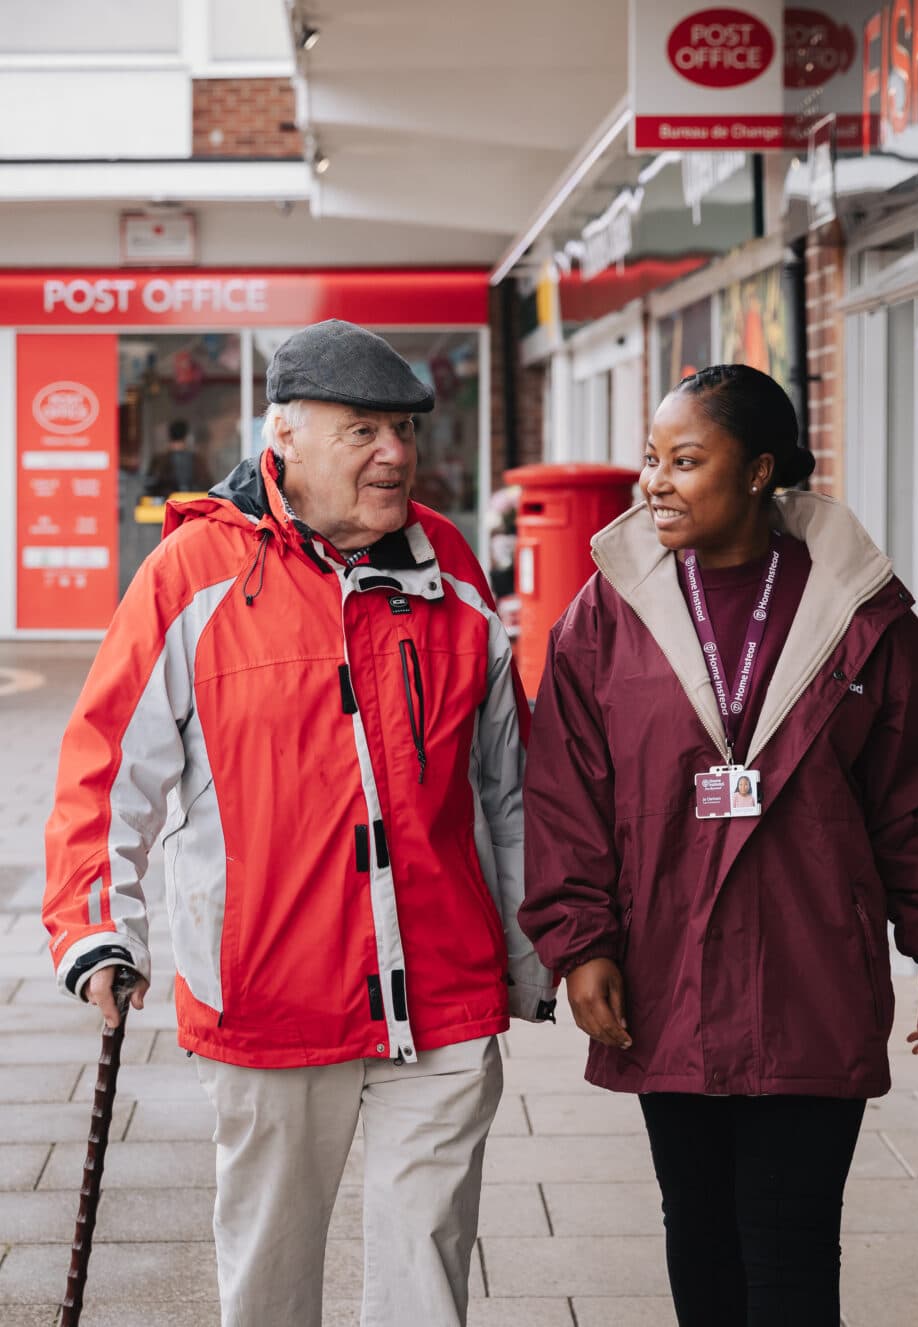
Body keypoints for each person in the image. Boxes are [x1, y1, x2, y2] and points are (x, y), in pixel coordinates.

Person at [43, 318, 555, 1327]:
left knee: (428, 1275)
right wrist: (99, 925)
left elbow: (509, 781)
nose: (396, 453)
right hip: (271, 995)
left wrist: (540, 942)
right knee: (271, 1279)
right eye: (363, 429)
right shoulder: (192, 573)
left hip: (444, 990)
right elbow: (106, 774)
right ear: (284, 436)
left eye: (403, 428)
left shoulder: (447, 562)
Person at [517, 363, 918, 1326]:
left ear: (761, 470)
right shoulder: (606, 615)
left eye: (686, 460)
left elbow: (913, 796)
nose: (656, 482)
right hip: (665, 968)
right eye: (652, 459)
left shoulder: (864, 617)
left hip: (812, 965)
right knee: (698, 1230)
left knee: (792, 1240)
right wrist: (582, 942)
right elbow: (566, 794)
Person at [142, 417, 213, 497]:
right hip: (192, 505)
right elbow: (207, 485)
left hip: (165, 506)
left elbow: (149, 486)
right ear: (186, 437)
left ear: (169, 436)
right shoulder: (198, 461)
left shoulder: (159, 461)